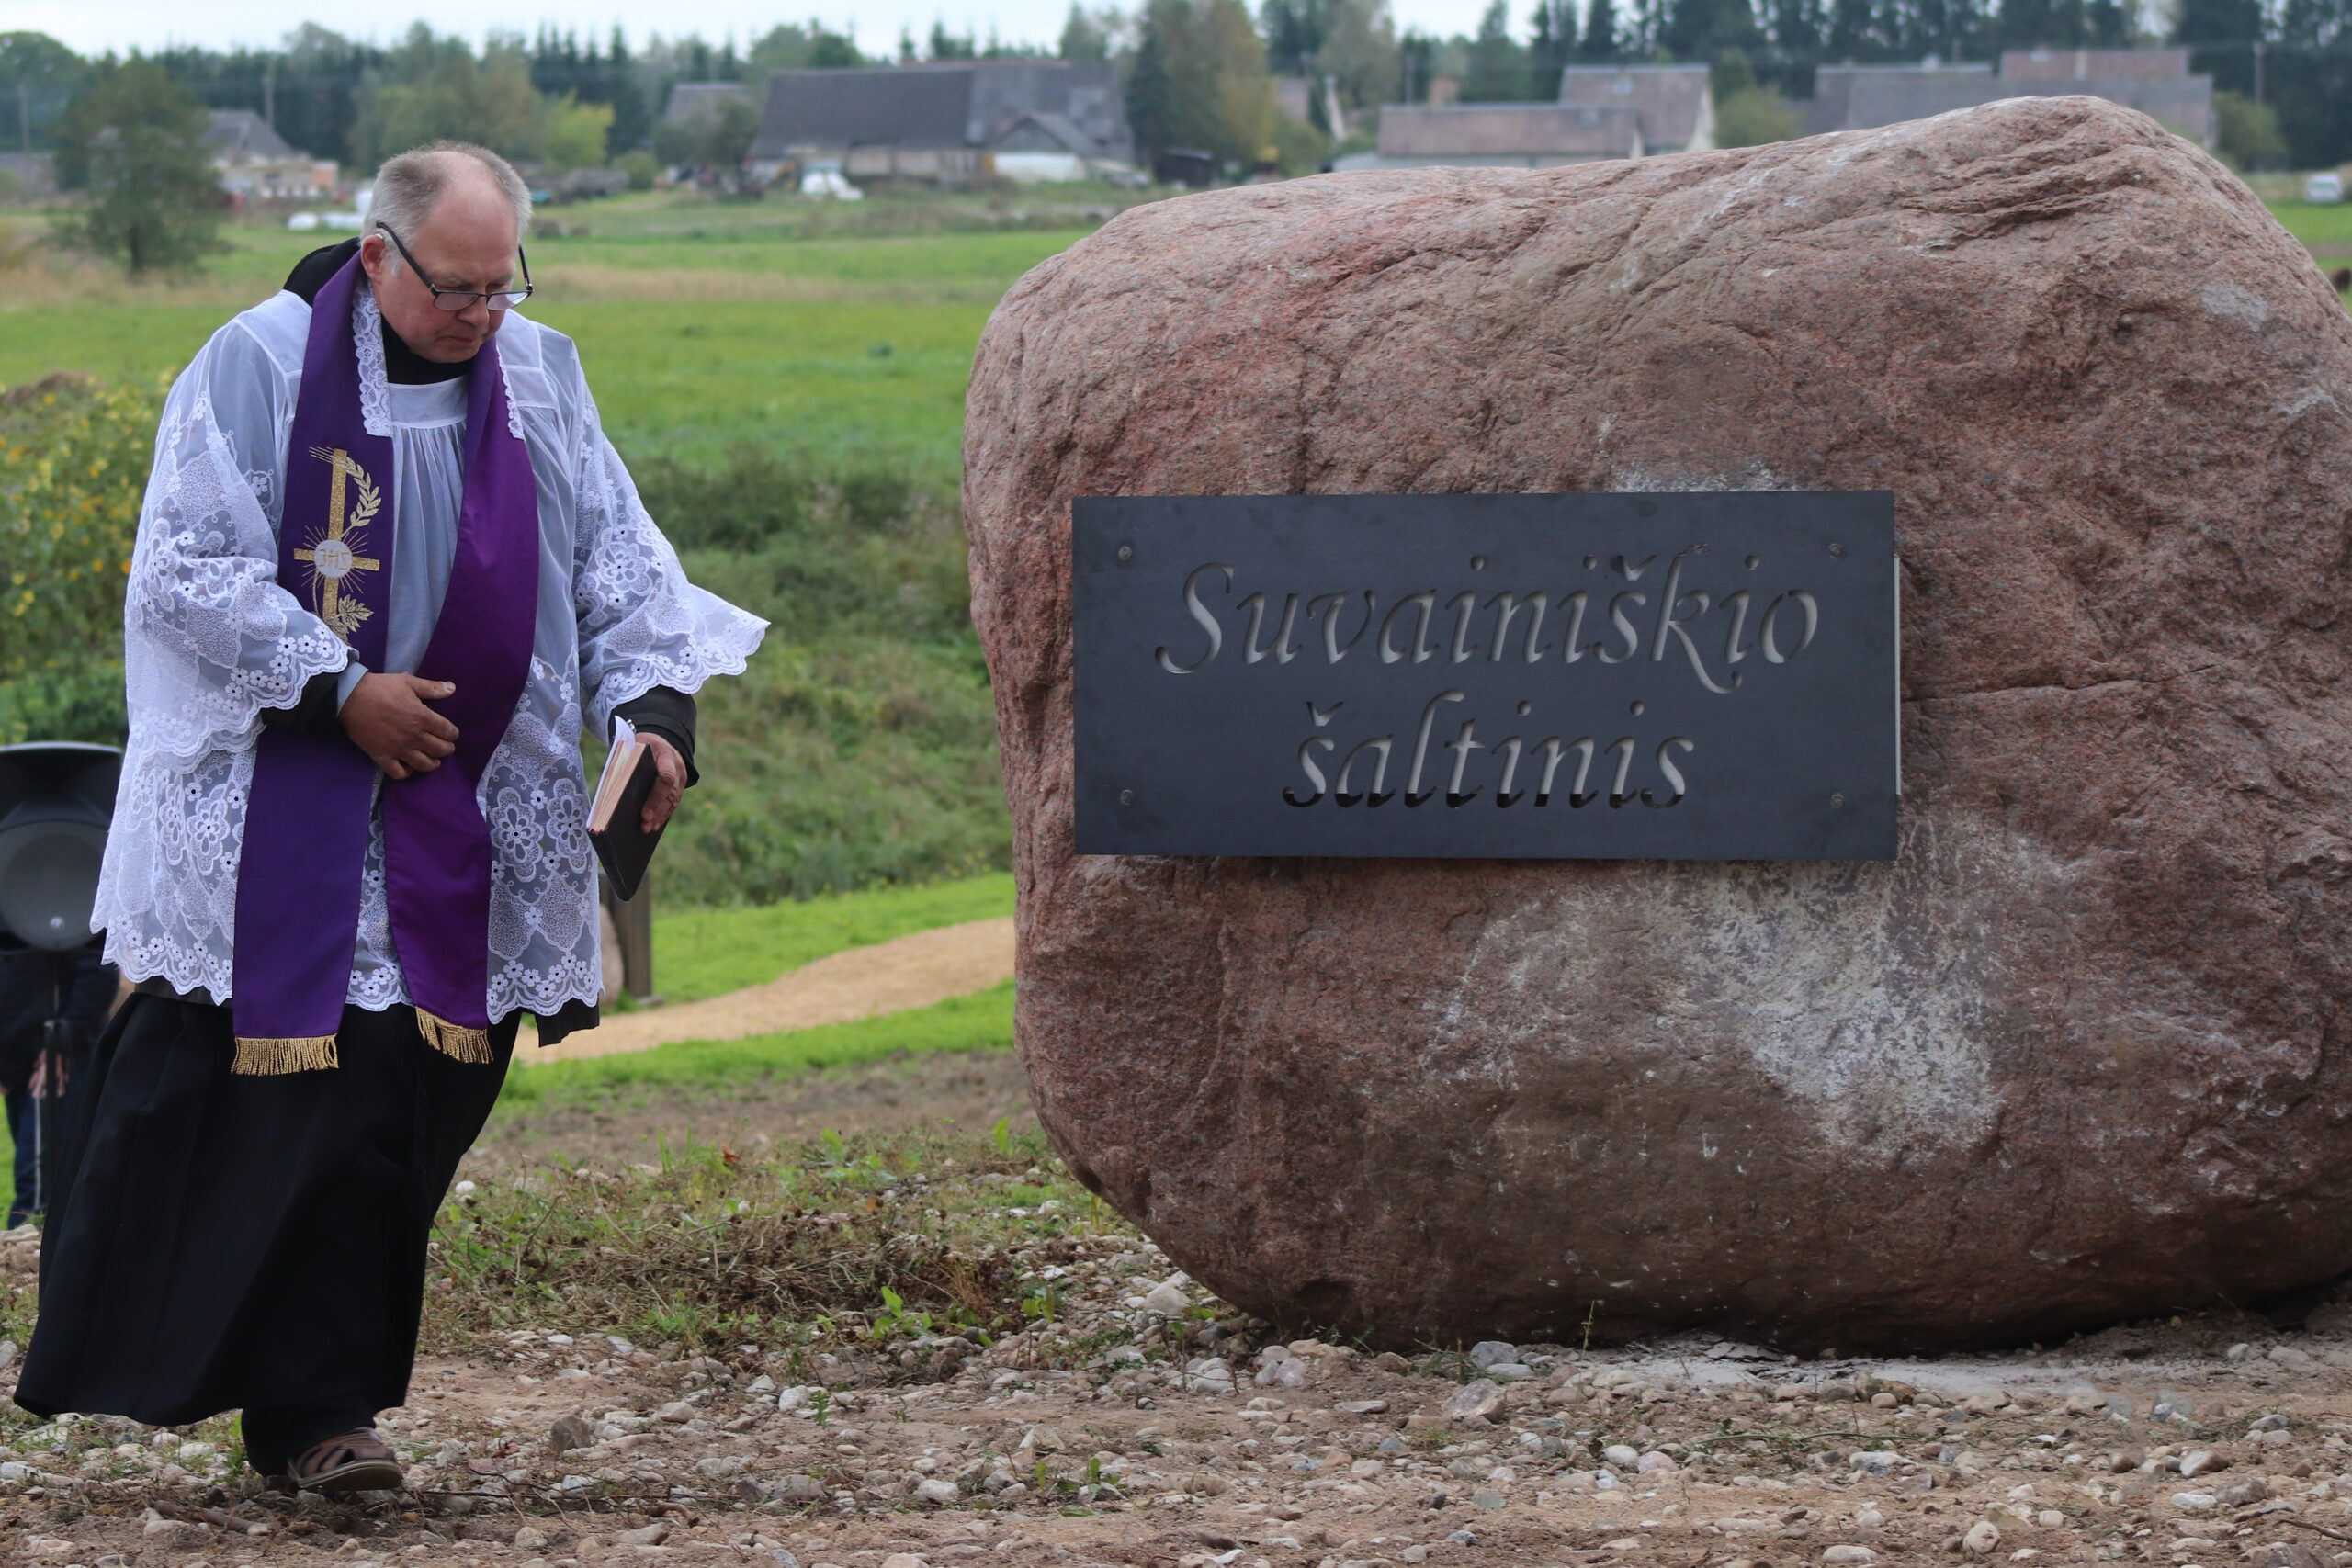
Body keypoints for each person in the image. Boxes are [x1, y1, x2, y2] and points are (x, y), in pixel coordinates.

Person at [16, 142, 765, 1493]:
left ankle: (310, 1396)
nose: (483, 314)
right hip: (292, 805)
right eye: (456, 288)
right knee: (336, 1107)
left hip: (471, 812)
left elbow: (614, 558)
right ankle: (320, 1412)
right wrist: (339, 689)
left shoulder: (539, 376)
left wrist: (656, 711)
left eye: (503, 284)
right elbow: (183, 567)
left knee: (421, 1104)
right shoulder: (255, 365)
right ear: (377, 255)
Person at [0, 942, 117, 1226]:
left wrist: (65, 1041)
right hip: (14, 1059)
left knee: (40, 1187)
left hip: (56, 1061)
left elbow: (97, 969)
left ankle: (35, 1246)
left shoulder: (68, 920)